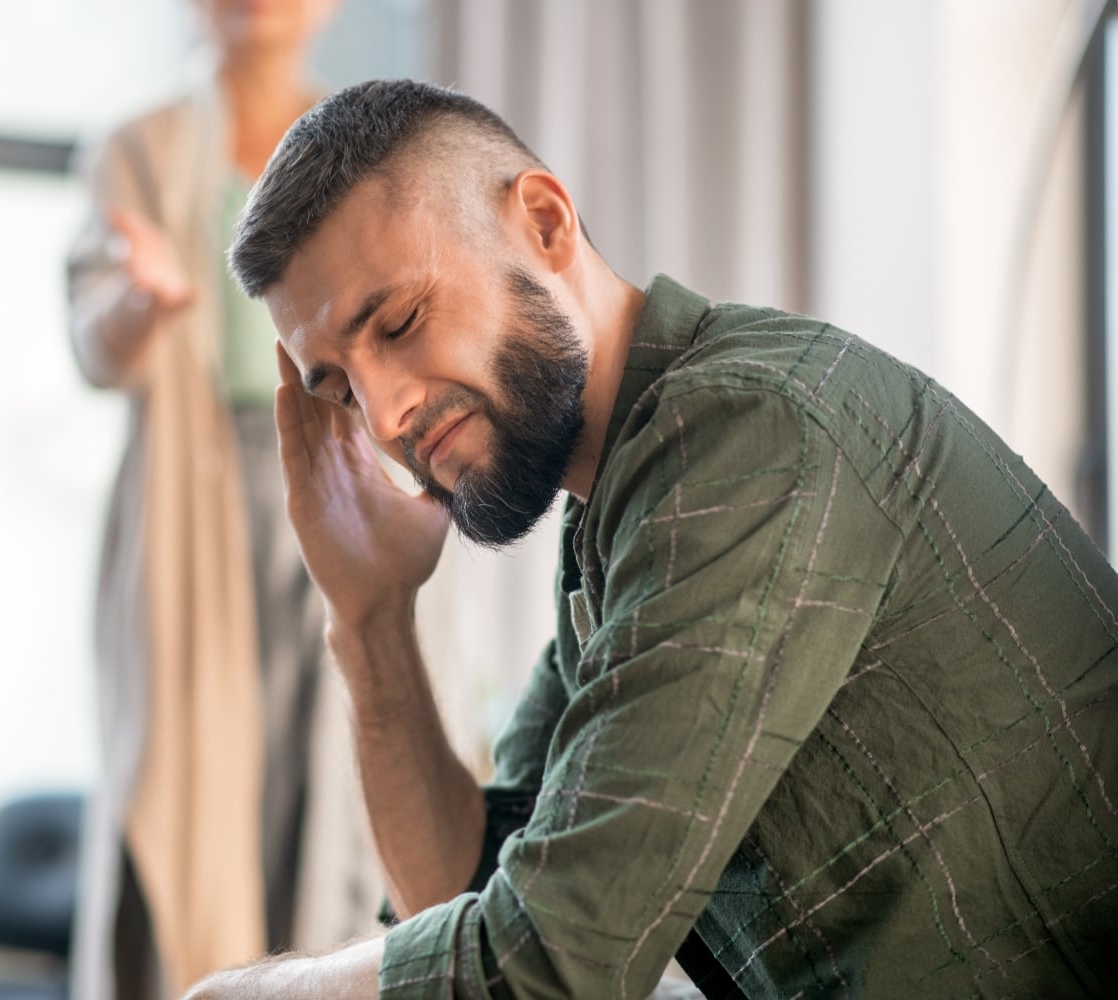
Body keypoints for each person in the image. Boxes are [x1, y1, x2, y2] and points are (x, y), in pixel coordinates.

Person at [181, 78, 1118, 998]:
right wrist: (373, 617)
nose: (385, 416)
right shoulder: (615, 515)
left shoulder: (749, 435)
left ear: (545, 224)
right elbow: (466, 890)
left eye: (399, 322)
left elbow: (549, 964)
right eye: (339, 388)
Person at [62, 3, 371, 999]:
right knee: (186, 789)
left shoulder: (371, 137)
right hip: (188, 509)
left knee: (324, 786)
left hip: (337, 472)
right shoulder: (137, 146)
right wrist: (140, 299)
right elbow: (92, 345)